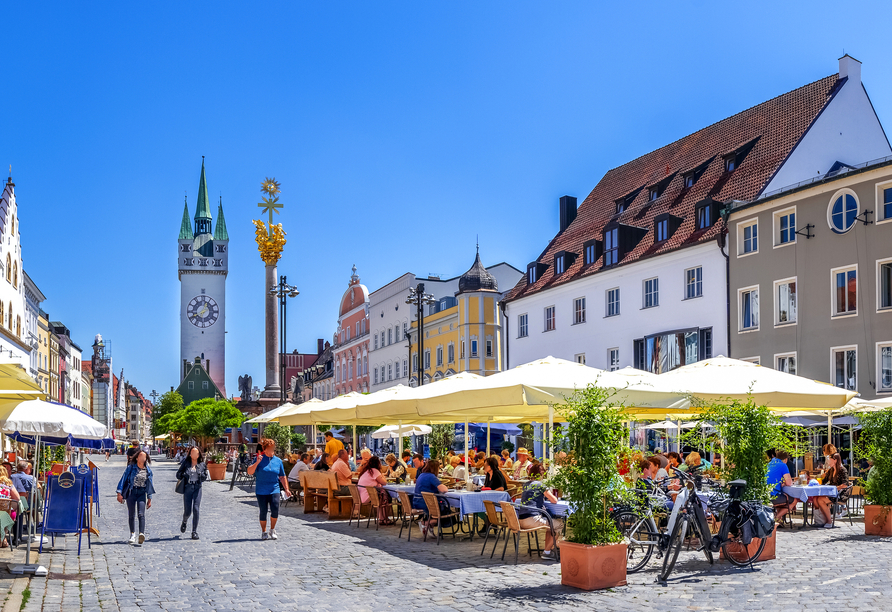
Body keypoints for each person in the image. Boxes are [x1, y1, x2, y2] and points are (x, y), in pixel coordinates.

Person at [247, 438, 291, 540]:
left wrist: (286, 489)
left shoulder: (278, 461)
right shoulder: (259, 459)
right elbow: (250, 472)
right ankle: (264, 531)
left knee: (275, 510)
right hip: (261, 490)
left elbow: (282, 476)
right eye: (270, 448)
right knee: (263, 511)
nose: (272, 450)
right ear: (265, 449)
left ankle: (272, 529)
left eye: (273, 448)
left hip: (274, 488)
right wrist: (257, 462)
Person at [116, 450, 155, 546]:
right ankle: (132, 534)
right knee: (131, 514)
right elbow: (123, 479)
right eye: (141, 456)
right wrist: (119, 493)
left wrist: (149, 499)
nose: (142, 458)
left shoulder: (148, 470)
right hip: (131, 492)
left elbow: (150, 485)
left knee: (141, 514)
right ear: (137, 458)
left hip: (142, 493)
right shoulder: (131, 468)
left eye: (144, 457)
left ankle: (141, 534)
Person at [517, 480, 562, 560]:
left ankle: (548, 550)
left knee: (550, 524)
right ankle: (547, 552)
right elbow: (554, 500)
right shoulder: (540, 484)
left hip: (520, 520)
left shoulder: (526, 484)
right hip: (532, 519)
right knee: (559, 525)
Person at [175, 446, 208, 540]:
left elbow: (205, 476)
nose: (193, 454)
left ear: (198, 455)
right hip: (188, 488)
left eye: (195, 453)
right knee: (188, 511)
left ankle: (194, 532)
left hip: (197, 488)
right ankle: (184, 521)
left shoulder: (202, 464)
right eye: (192, 452)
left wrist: (202, 475)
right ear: (190, 454)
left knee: (196, 509)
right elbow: (178, 474)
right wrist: (184, 474)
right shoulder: (186, 463)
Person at [413, 460, 449, 536]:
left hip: (417, 501)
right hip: (426, 503)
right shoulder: (431, 476)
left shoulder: (421, 475)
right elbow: (444, 489)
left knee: (440, 508)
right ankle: (425, 523)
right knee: (445, 510)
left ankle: (429, 528)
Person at [814, 452, 847, 528]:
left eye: (830, 460)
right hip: (831, 493)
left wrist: (835, 488)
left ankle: (829, 521)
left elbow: (845, 484)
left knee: (820, 500)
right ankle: (820, 521)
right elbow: (824, 481)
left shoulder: (843, 470)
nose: (828, 462)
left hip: (839, 494)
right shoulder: (831, 470)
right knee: (815, 498)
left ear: (835, 460)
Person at [358, 456, 393, 525]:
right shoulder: (375, 471)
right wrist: (382, 474)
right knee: (385, 496)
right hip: (369, 496)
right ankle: (384, 518)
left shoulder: (367, 471)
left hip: (362, 496)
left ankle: (382, 518)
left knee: (382, 495)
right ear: (378, 464)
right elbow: (384, 482)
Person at [767, 449, 797, 525]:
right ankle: (776, 518)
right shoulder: (783, 465)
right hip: (773, 496)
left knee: (783, 499)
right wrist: (784, 483)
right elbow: (789, 482)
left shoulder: (769, 463)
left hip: (765, 495)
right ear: (785, 459)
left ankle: (779, 520)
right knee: (794, 500)